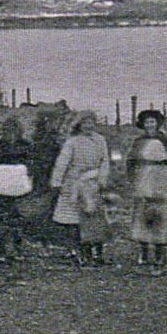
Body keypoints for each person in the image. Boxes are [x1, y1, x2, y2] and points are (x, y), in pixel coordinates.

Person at [49, 111, 112, 268]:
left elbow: (105, 161)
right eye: (85, 123)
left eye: (91, 123)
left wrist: (102, 180)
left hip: (94, 184)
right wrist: (57, 182)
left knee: (96, 219)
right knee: (76, 220)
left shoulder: (100, 140)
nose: (88, 126)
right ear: (79, 125)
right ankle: (81, 252)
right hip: (75, 183)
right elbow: (62, 162)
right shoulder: (72, 142)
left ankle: (98, 253)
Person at [127, 109, 167, 276]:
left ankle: (159, 253)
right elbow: (131, 160)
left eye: (153, 122)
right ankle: (143, 252)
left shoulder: (165, 140)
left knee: (161, 213)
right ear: (143, 125)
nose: (150, 125)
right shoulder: (139, 141)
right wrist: (132, 178)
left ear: (158, 124)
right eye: (147, 122)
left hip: (161, 178)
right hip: (143, 177)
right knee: (143, 213)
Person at [0, 117, 34, 261]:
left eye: (14, 129)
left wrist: (23, 173)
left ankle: (17, 248)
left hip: (19, 186)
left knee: (18, 217)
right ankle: (1, 249)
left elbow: (32, 162)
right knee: (0, 217)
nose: (11, 132)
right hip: (1, 186)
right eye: (7, 129)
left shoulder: (26, 145)